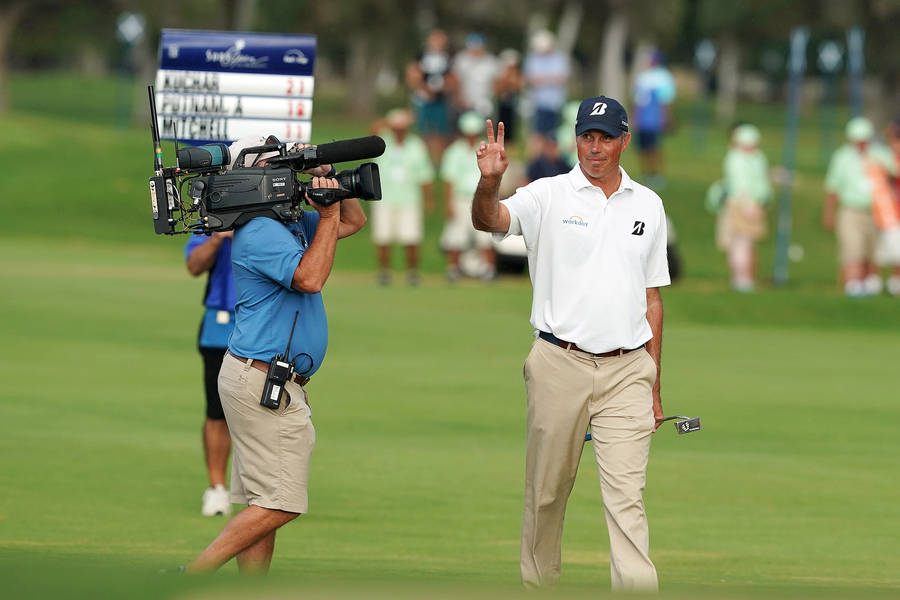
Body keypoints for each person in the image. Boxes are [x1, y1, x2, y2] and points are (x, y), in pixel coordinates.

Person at [472, 96, 669, 591]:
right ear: (575, 139)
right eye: (587, 136)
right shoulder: (548, 195)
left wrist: (654, 385)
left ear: (624, 140)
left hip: (628, 369)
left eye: (605, 137)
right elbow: (489, 220)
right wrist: (490, 180)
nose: (595, 147)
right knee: (546, 495)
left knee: (628, 498)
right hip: (559, 362)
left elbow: (652, 300)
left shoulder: (648, 204)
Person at [184, 136, 367, 573]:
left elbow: (351, 224)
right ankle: (191, 577)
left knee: (262, 504)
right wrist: (324, 214)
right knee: (280, 504)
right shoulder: (261, 229)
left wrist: (333, 186)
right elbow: (310, 278)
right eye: (279, 164)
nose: (289, 173)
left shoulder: (281, 222)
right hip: (263, 381)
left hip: (264, 377)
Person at [184, 229, 235, 516]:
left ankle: (265, 487)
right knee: (217, 412)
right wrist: (218, 237)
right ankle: (217, 489)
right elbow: (194, 265)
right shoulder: (214, 216)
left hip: (269, 323)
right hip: (221, 325)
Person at [824, 117, 897, 296]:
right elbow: (833, 188)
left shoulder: (881, 154)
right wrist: (829, 213)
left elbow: (895, 174)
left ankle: (870, 287)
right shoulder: (841, 157)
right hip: (851, 209)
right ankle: (853, 286)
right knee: (852, 249)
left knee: (872, 252)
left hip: (879, 212)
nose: (861, 144)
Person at [371, 108, 435, 286]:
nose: (399, 130)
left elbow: (425, 174)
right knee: (383, 238)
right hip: (385, 198)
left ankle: (412, 272)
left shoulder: (416, 145)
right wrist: (388, 121)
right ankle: (384, 272)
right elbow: (371, 132)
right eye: (396, 127)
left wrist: (428, 198)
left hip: (410, 198)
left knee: (411, 238)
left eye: (402, 127)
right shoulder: (383, 141)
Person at [439, 111, 496, 281]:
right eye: (468, 134)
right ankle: (453, 268)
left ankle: (489, 269)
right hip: (461, 198)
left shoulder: (487, 148)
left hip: (483, 198)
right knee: (456, 234)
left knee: (485, 235)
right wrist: (449, 204)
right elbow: (449, 179)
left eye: (473, 133)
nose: (471, 137)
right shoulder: (454, 151)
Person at [715, 124, 772, 291]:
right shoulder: (735, 159)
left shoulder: (758, 158)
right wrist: (748, 206)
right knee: (740, 243)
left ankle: (744, 278)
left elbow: (762, 182)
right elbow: (741, 185)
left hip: (754, 204)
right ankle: (741, 279)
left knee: (745, 243)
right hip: (741, 205)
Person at [406, 29, 457, 166]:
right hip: (423, 99)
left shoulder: (448, 57)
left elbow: (453, 78)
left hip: (441, 100)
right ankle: (423, 161)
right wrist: (425, 89)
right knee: (424, 131)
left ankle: (438, 162)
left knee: (440, 133)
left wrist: (445, 89)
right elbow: (413, 74)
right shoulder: (421, 55)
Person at [631, 49, 676, 189]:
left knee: (654, 148)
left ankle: (656, 175)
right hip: (643, 119)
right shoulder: (642, 77)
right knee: (642, 148)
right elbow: (638, 101)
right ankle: (646, 173)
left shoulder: (663, 77)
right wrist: (634, 117)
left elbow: (665, 100)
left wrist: (667, 118)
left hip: (655, 119)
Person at [522, 30, 570, 139]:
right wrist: (552, 79)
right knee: (537, 134)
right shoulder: (532, 58)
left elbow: (562, 79)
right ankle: (537, 156)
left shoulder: (560, 58)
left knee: (554, 135)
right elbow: (532, 81)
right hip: (538, 103)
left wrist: (543, 79)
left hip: (556, 103)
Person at [452, 33, 499, 118]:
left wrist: (491, 98)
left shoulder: (491, 61)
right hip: (465, 102)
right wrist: (459, 97)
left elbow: (496, 82)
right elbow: (456, 80)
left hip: (485, 102)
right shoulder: (461, 59)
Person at [494, 49, 524, 144]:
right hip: (502, 106)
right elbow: (497, 90)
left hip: (514, 107)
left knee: (512, 132)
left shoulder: (518, 76)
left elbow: (518, 88)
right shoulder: (500, 75)